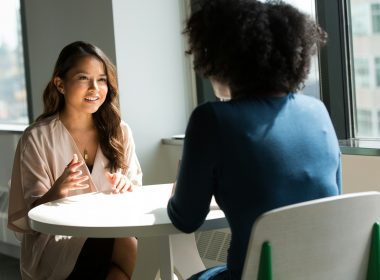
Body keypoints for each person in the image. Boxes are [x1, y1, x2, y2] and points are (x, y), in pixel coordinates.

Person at [167, 0, 342, 279]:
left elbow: (186, 220)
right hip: (327, 273)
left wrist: (179, 193)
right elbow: (331, 201)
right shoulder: (317, 112)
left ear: (222, 60)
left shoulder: (211, 119)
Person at [8, 41, 142, 280]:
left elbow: (136, 193)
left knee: (124, 249)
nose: (95, 88)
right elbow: (31, 217)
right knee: (126, 245)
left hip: (112, 231)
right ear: (60, 84)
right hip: (56, 243)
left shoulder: (120, 132)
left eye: (101, 79)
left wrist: (126, 186)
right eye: (83, 78)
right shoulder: (36, 138)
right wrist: (56, 192)